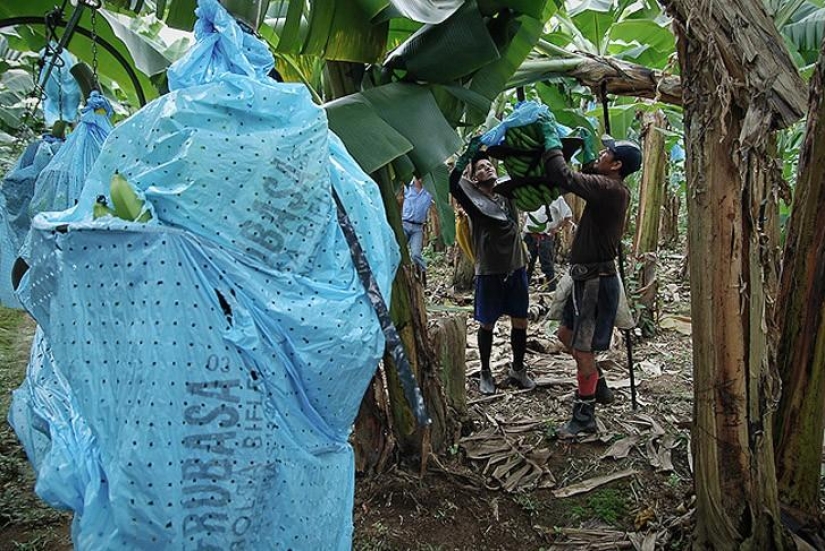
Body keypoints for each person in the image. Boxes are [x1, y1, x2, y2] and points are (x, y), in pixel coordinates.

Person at [515, 117, 641, 439]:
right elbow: (584, 171)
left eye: (606, 153)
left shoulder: (610, 189)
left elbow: (564, 176)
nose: (600, 154)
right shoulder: (608, 185)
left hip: (595, 284)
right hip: (584, 279)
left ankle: (584, 415)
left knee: (583, 352)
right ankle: (597, 384)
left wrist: (550, 139)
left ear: (616, 165)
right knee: (567, 337)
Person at [449, 142, 534, 395]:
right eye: (482, 168)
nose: (488, 167)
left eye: (489, 165)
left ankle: (518, 368)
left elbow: (527, 174)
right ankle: (486, 370)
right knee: (487, 323)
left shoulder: (507, 194)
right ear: (475, 179)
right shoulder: (473, 201)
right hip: (489, 271)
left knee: (520, 320)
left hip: (515, 267)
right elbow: (453, 183)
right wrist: (467, 154)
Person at [522, 196, 573, 290]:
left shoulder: (557, 198)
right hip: (529, 236)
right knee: (527, 264)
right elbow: (526, 215)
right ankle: (523, 288)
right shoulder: (533, 196)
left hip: (544, 237)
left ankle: (552, 290)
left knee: (547, 265)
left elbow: (568, 216)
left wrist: (557, 228)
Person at [401, 176, 433, 283]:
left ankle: (422, 278)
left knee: (416, 254)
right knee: (398, 251)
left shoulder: (429, 192)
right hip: (404, 224)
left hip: (417, 228)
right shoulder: (407, 187)